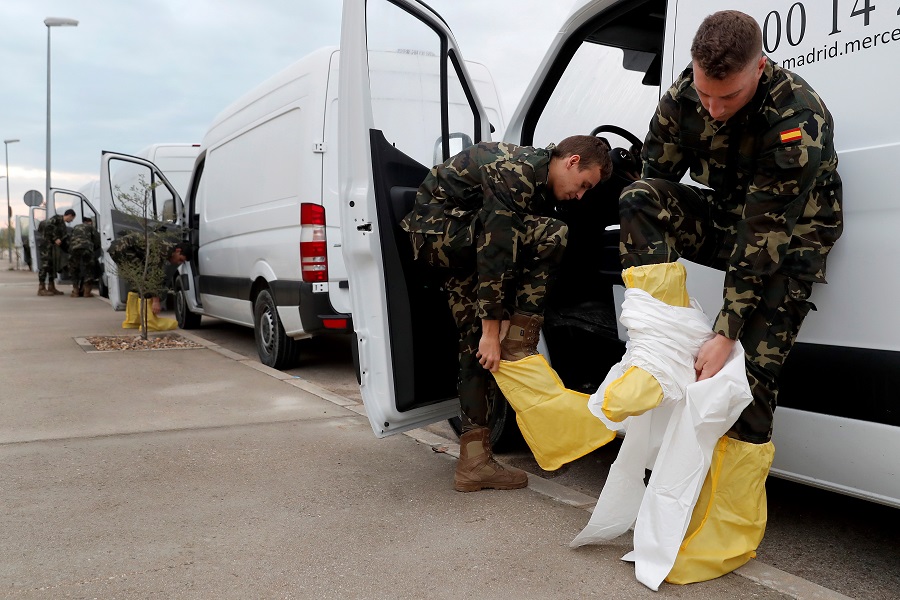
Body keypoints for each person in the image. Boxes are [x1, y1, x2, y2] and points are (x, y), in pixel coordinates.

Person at [613, 10, 842, 582]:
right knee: (640, 198)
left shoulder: (797, 117)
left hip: (790, 240)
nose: (713, 108)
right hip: (730, 218)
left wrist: (725, 332)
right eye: (705, 94)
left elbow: (763, 236)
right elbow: (657, 180)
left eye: (729, 96)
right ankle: (655, 344)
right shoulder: (684, 94)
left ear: (760, 69)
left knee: (749, 374)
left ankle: (730, 532)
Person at [401, 136, 613, 492]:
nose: (581, 196)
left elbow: (503, 246)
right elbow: (497, 250)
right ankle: (519, 339)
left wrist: (486, 332)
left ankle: (474, 463)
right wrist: (493, 328)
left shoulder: (539, 177)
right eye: (583, 185)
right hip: (440, 233)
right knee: (553, 232)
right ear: (572, 162)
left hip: (457, 235)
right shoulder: (519, 171)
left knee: (477, 349)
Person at [108, 231, 190, 327]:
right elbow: (154, 276)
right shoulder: (165, 250)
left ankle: (133, 320)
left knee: (137, 281)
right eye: (180, 259)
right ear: (178, 251)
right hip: (122, 249)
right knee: (144, 280)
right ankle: (150, 323)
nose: (178, 263)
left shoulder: (166, 247)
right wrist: (156, 301)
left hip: (118, 248)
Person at [36, 208, 76, 296]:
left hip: (52, 247)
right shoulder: (57, 218)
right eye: (72, 218)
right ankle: (41, 288)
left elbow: (63, 239)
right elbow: (48, 226)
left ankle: (51, 287)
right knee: (45, 265)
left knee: (51, 266)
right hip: (46, 245)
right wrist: (55, 238)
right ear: (69, 215)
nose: (71, 221)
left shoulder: (63, 225)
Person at [67, 216, 102, 298]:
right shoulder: (90, 227)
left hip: (74, 249)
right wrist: (93, 248)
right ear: (89, 222)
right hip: (87, 248)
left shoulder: (75, 227)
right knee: (88, 269)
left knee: (74, 269)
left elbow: (70, 238)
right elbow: (97, 240)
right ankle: (87, 292)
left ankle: (75, 291)